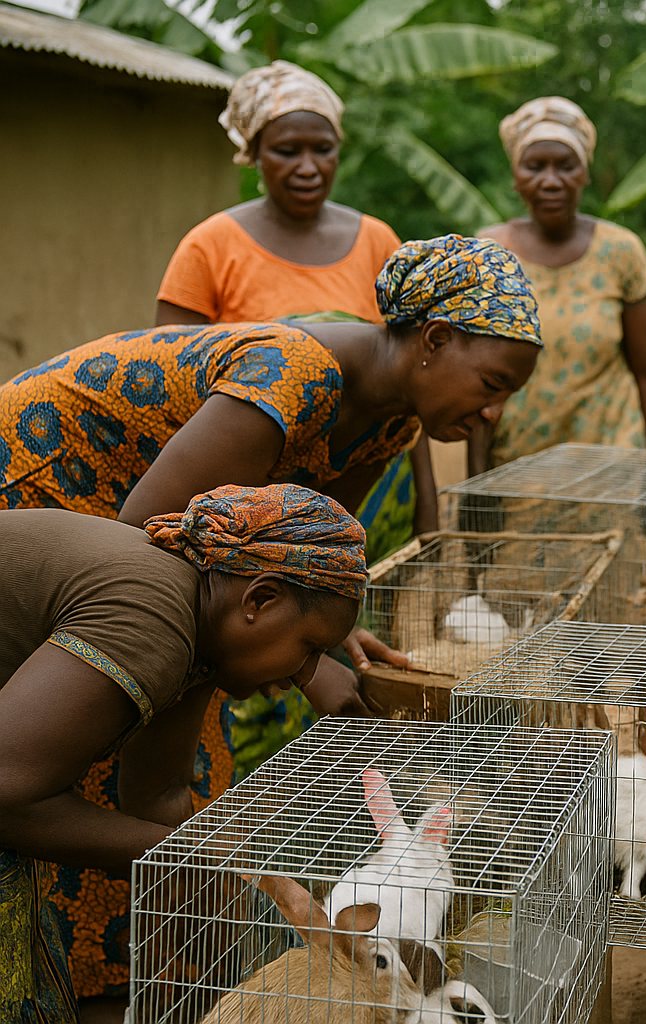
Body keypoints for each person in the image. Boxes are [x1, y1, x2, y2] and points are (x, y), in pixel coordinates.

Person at [0, 233, 541, 1015]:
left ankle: (132, 986)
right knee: (64, 759)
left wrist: (328, 639)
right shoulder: (288, 377)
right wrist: (306, 663)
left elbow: (309, 551)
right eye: (491, 383)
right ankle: (99, 985)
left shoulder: (391, 423)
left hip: (190, 565)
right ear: (433, 340)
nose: (494, 411)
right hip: (64, 497)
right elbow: (147, 527)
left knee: (163, 765)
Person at [0, 483, 367, 1024]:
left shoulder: (199, 635)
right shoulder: (155, 616)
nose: (304, 674)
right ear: (259, 600)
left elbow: (157, 794)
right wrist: (231, 863)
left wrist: (228, 984)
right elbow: (7, 796)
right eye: (309, 647)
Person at [153, 60, 429, 564]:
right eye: (286, 151)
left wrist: (428, 508)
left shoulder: (378, 242)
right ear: (253, 152)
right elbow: (171, 382)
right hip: (248, 493)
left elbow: (410, 381)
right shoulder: (209, 247)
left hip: (370, 486)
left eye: (323, 150)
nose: (308, 167)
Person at [470, 96, 646, 475]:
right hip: (519, 467)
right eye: (534, 166)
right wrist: (478, 482)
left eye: (565, 166)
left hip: (612, 459)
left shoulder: (621, 251)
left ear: (585, 174)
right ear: (515, 177)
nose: (550, 180)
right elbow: (477, 380)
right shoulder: (489, 252)